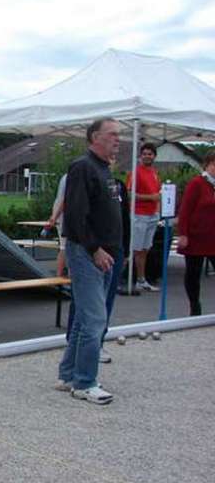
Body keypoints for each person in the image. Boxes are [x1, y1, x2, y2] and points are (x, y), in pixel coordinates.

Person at [56, 118, 122, 405]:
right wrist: (94, 250)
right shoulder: (82, 167)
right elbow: (75, 216)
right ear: (95, 137)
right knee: (95, 319)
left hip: (105, 254)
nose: (118, 139)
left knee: (86, 318)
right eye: (112, 134)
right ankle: (84, 383)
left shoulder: (104, 169)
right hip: (86, 254)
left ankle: (69, 374)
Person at [176, 151, 215, 316]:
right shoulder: (197, 183)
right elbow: (185, 210)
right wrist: (183, 234)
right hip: (195, 236)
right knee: (193, 273)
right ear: (207, 165)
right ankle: (194, 306)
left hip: (213, 237)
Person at [125, 143, 161, 291]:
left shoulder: (154, 172)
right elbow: (129, 194)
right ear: (140, 156)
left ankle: (141, 278)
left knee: (145, 248)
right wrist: (150, 197)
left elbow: (158, 194)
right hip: (139, 214)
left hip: (152, 214)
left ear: (154, 156)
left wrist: (157, 207)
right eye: (145, 154)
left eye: (150, 154)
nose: (147, 156)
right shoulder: (135, 172)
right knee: (136, 249)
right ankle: (130, 277)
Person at [46, 173, 68, 276]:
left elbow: (60, 199)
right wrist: (54, 217)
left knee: (64, 247)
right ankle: (60, 275)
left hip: (60, 212)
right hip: (64, 214)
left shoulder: (65, 176)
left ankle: (60, 275)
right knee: (65, 247)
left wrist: (54, 216)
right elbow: (64, 200)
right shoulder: (72, 177)